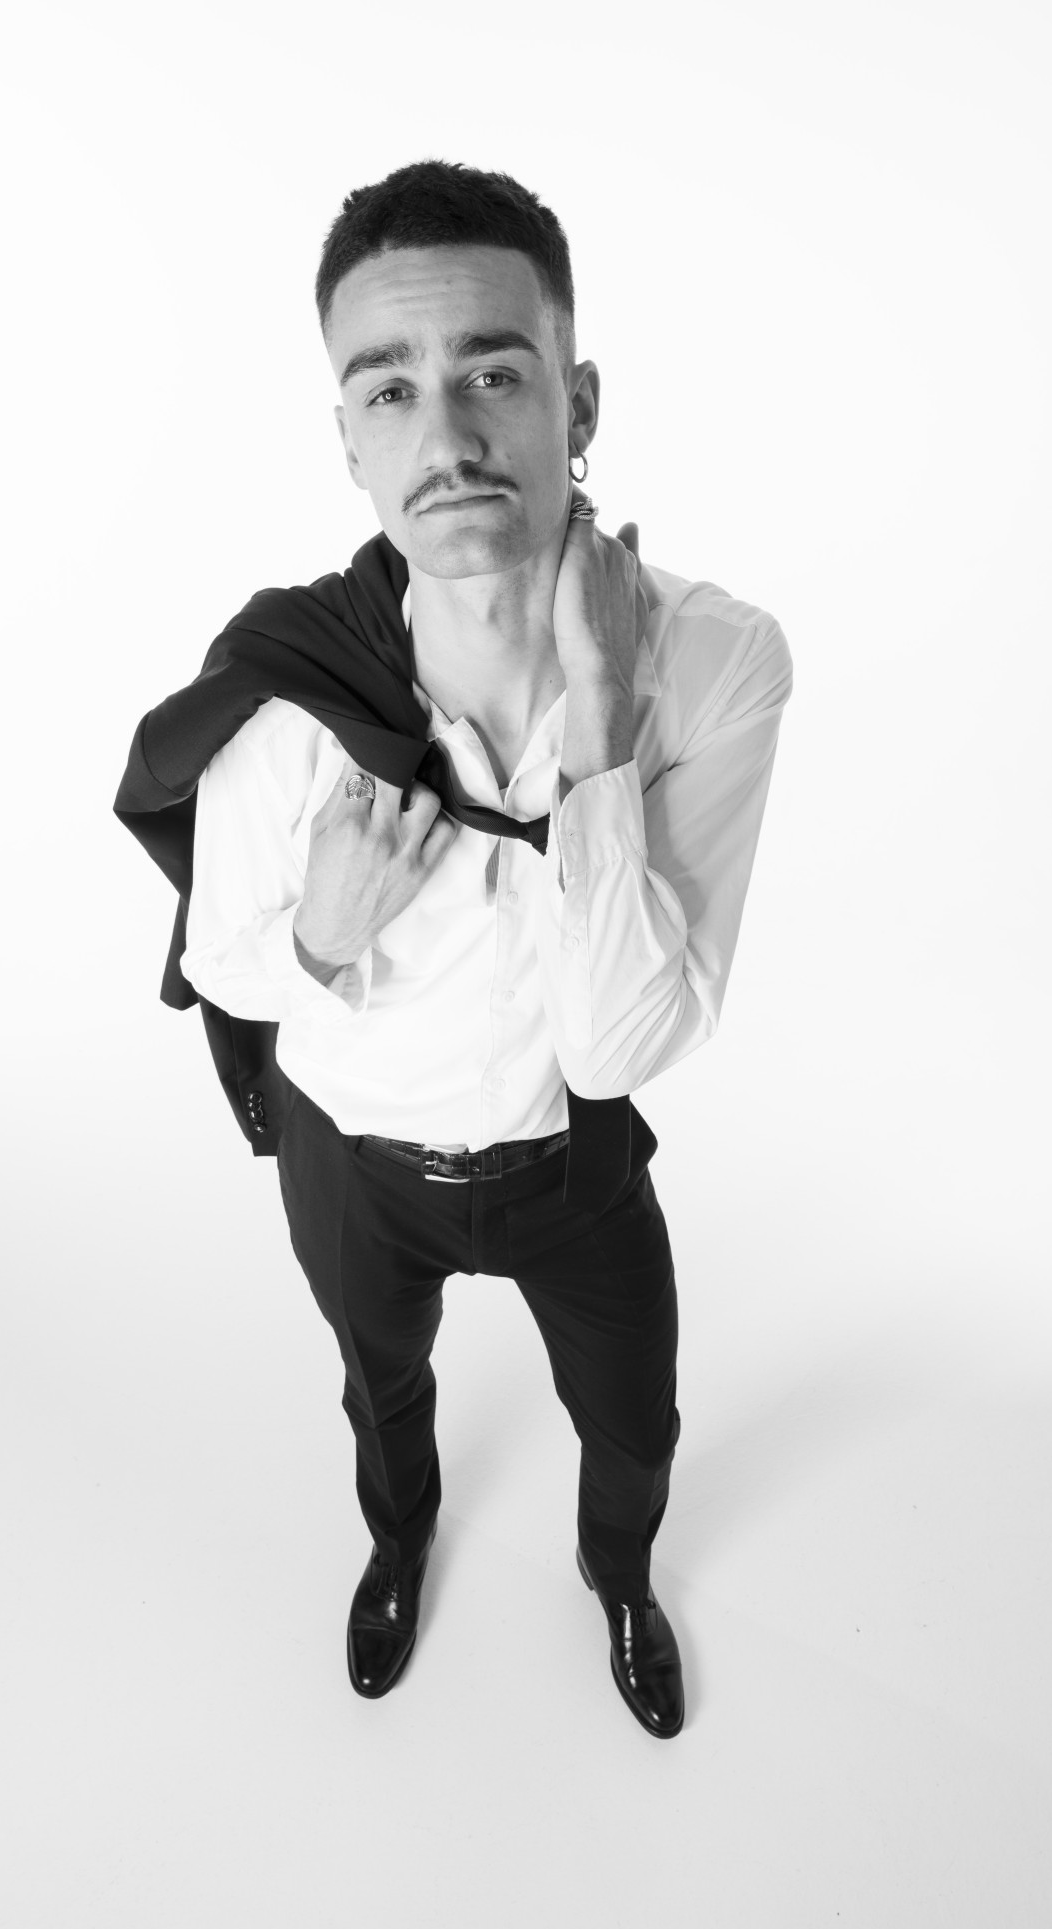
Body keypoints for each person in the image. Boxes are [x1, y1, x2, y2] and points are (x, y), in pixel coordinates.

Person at [172, 159, 793, 1738]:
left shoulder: (715, 663)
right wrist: (320, 938)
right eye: (388, 389)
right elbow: (225, 963)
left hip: (568, 1167)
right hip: (353, 1160)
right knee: (378, 1389)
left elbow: (619, 1046)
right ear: (348, 439)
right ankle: (399, 1548)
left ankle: (619, 1580)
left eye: (492, 375)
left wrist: (599, 740)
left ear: (577, 403)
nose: (442, 437)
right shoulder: (286, 693)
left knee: (632, 1419)